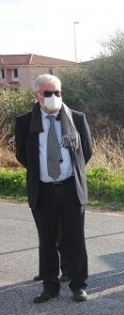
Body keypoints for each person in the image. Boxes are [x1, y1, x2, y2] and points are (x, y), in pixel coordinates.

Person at [14, 73, 93, 303]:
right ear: (37, 95)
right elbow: (23, 155)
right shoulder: (24, 122)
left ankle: (78, 285)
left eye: (57, 93)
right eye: (48, 93)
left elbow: (85, 151)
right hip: (43, 190)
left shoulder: (77, 119)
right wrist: (45, 173)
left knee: (75, 238)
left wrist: (68, 173)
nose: (53, 97)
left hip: (70, 188)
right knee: (47, 239)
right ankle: (50, 286)